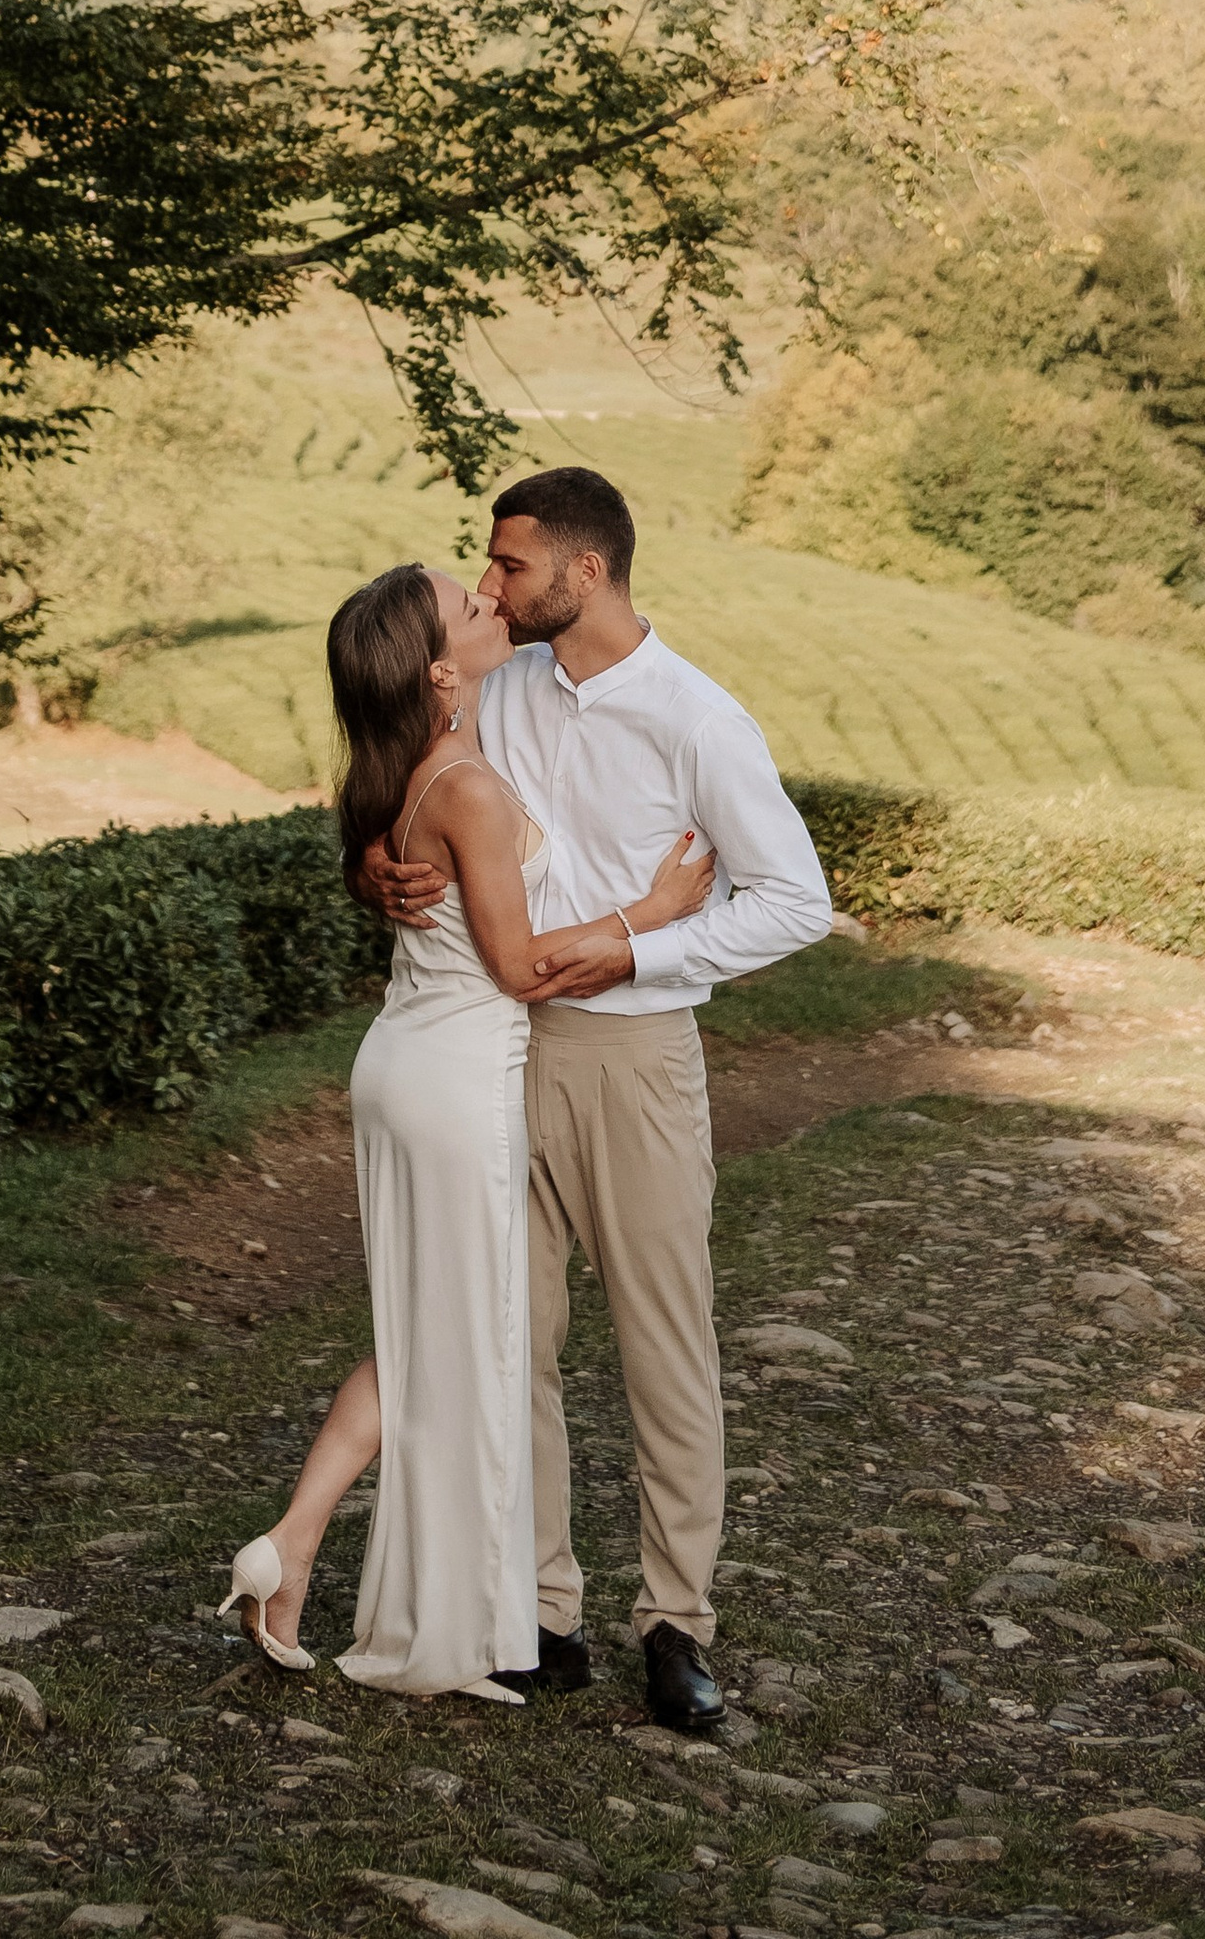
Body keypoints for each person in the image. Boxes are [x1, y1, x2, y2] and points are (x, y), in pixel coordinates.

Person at [361, 466, 832, 1735]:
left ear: (586, 572)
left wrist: (637, 950)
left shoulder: (696, 718)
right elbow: (412, 799)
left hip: (635, 1057)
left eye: (509, 565)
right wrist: (377, 862)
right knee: (514, 1340)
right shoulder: (495, 692)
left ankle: (676, 1621)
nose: (490, 583)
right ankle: (542, 1609)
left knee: (660, 1343)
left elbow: (794, 899)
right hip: (496, 1050)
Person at [220, 560, 717, 1702]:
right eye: (468, 603)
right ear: (440, 668)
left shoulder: (415, 766)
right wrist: (652, 913)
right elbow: (522, 967)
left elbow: (409, 869)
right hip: (454, 1076)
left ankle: (312, 1558)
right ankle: (302, 1552)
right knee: (450, 1339)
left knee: (431, 1335)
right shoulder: (470, 787)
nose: (492, 599)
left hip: (408, 1057)